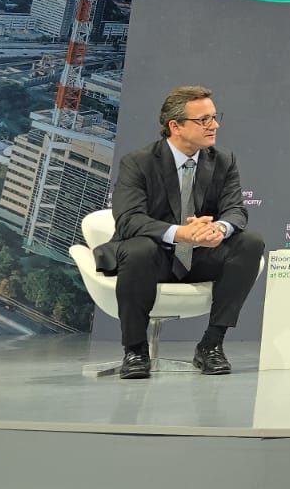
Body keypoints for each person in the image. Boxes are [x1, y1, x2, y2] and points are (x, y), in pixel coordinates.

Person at [94, 86, 265, 379]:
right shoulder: (138, 162)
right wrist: (182, 233)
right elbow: (129, 220)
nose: (214, 125)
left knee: (250, 242)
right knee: (139, 249)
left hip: (199, 257)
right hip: (153, 257)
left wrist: (218, 229)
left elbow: (236, 210)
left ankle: (211, 345)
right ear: (176, 126)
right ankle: (135, 350)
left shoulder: (223, 160)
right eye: (204, 120)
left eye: (215, 117)